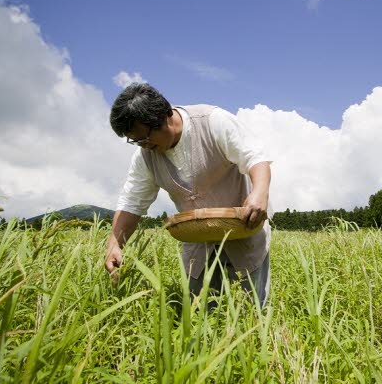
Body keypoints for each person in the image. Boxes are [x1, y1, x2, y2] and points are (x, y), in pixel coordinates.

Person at [104, 83, 272, 307]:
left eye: (144, 138)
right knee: (198, 310)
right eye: (136, 141)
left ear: (163, 117)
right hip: (198, 240)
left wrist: (259, 193)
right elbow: (132, 202)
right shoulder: (144, 156)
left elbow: (255, 158)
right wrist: (115, 245)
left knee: (252, 308)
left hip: (244, 227)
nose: (143, 146)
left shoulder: (213, 121)